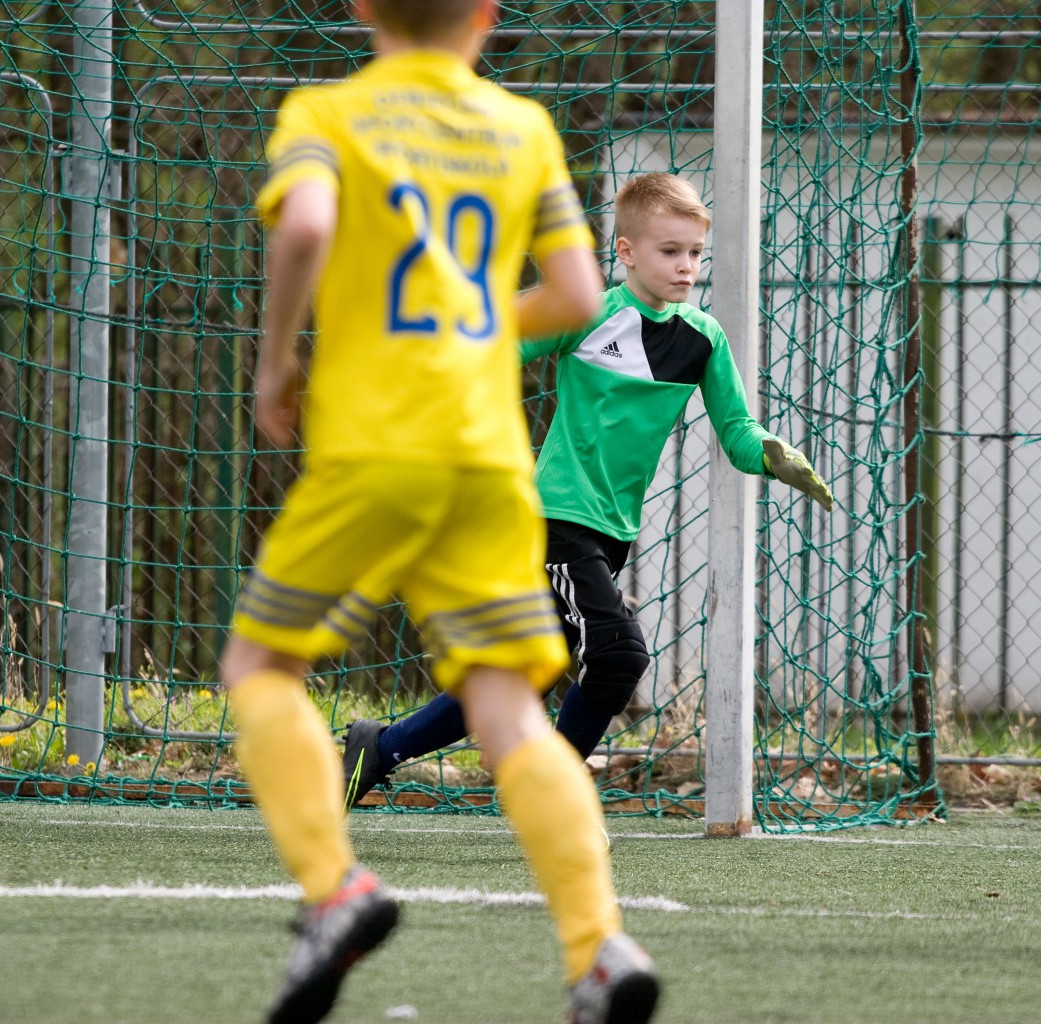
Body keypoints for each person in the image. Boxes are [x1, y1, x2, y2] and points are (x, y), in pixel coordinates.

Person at [221, 2, 660, 1022]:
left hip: (374, 448)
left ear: (362, 6)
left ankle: (334, 889)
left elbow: (307, 226)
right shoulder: (521, 129)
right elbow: (578, 291)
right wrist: (472, 322)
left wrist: (277, 359)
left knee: (260, 664)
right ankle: (598, 948)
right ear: (488, 15)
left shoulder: (327, 114)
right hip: (486, 459)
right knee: (509, 710)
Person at [343, 171, 833, 805]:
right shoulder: (587, 313)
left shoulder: (703, 339)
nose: (686, 266)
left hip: (610, 532)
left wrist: (772, 454)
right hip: (555, 518)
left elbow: (736, 431)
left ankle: (378, 749)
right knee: (620, 657)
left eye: (695, 252)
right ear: (626, 251)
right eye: (670, 251)